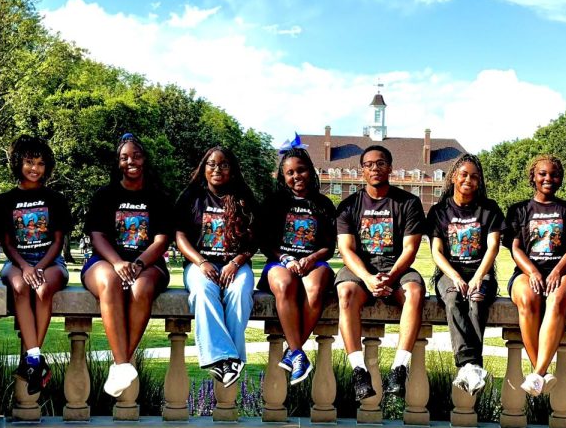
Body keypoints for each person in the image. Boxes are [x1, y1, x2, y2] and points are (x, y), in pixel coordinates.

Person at [82, 133, 172, 397]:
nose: (130, 161)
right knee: (109, 281)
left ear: (144, 159)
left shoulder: (159, 196)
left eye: (136, 155)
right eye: (124, 157)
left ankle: (120, 365)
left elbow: (162, 240)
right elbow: (96, 235)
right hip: (106, 260)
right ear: (117, 163)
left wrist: (140, 262)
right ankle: (123, 364)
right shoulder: (105, 195)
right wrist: (118, 262)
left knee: (140, 289)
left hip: (148, 264)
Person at [335, 145, 426, 401]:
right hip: (362, 270)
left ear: (390, 168)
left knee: (415, 291)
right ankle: (359, 370)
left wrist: (391, 277)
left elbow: (411, 248)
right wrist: (367, 277)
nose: (375, 168)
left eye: (381, 163)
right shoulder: (349, 205)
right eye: (369, 164)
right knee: (345, 292)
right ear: (362, 170)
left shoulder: (408, 202)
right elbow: (346, 249)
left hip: (397, 268)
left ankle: (399, 368)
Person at [176, 146, 259, 387]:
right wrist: (201, 262)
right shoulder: (192, 196)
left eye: (224, 164)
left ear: (232, 170)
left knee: (240, 291)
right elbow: (180, 236)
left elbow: (254, 239)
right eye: (211, 164)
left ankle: (225, 360)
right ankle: (228, 358)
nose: (217, 169)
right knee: (203, 292)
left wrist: (235, 263)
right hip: (200, 264)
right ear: (204, 168)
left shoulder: (243, 198)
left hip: (236, 263)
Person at [0, 135, 70, 395]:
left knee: (42, 289)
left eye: (40, 163)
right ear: (18, 163)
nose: (35, 168)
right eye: (29, 162)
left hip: (50, 261)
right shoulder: (5, 200)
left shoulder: (56, 199)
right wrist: (26, 267)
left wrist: (39, 267)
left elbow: (58, 241)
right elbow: (7, 243)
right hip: (17, 261)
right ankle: (36, 359)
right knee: (19, 285)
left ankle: (32, 360)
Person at [504, 154, 566, 397]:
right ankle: (542, 373)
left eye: (554, 174)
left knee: (555, 299)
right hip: (528, 270)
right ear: (533, 178)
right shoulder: (519, 210)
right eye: (543, 174)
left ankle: (537, 373)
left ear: (560, 179)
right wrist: (533, 271)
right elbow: (515, 247)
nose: (548, 178)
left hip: (565, 271)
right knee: (527, 299)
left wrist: (557, 270)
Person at [427, 153, 503, 394]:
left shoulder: (488, 209)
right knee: (452, 296)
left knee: (477, 299)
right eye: (463, 175)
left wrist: (479, 276)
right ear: (453, 178)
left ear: (479, 182)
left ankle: (469, 366)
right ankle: (469, 364)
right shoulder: (439, 211)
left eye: (474, 176)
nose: (468, 179)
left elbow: (493, 247)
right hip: (450, 272)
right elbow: (437, 252)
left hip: (481, 271)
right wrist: (457, 277)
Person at [259, 148, 336, 385]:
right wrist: (286, 259)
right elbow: (265, 242)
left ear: (310, 171)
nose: (296, 176)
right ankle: (299, 353)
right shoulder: (274, 203)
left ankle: (294, 352)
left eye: (300, 170)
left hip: (315, 262)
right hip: (280, 261)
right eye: (290, 173)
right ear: (283, 177)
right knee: (285, 283)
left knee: (315, 288)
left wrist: (310, 259)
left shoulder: (323, 204)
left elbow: (329, 246)